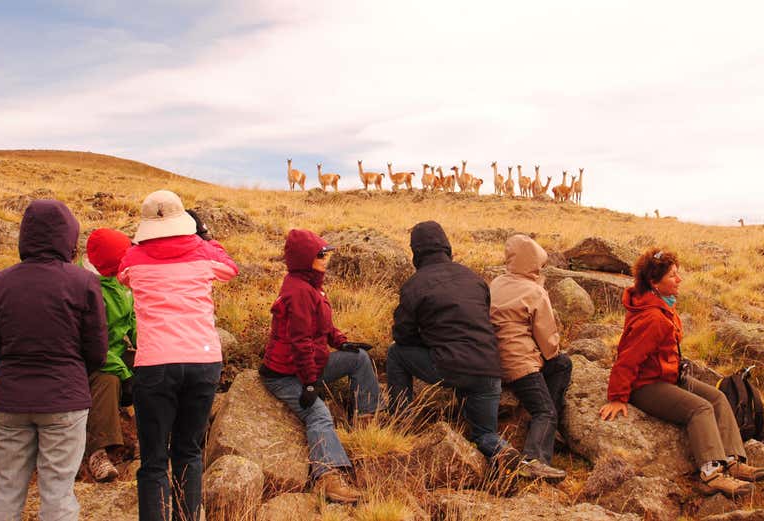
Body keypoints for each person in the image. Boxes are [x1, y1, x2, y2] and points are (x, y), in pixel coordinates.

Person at [599, 247, 764, 497]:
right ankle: (710, 474)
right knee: (700, 409)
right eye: (672, 276)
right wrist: (617, 396)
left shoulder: (663, 305)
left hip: (668, 376)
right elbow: (627, 359)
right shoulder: (653, 317)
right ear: (654, 283)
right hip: (645, 385)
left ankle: (733, 461)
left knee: (719, 398)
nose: (679, 279)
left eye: (677, 274)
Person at [118, 192, 238, 521]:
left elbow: (121, 275)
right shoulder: (202, 252)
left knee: (155, 460)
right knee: (189, 451)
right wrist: (204, 237)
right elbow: (230, 268)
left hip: (155, 363)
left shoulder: (134, 257)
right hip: (202, 361)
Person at [0, 199, 108, 520]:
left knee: (7, 488)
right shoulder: (84, 282)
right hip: (64, 399)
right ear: (68, 237)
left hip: (10, 399)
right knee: (57, 491)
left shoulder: (0, 282)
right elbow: (97, 351)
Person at [259, 228, 380, 504]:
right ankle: (327, 478)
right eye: (321, 254)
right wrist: (310, 383)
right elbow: (299, 342)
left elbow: (321, 326)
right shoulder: (300, 291)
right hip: (285, 374)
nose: (327, 258)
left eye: (326, 253)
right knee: (319, 415)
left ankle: (367, 424)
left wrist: (342, 343)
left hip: (307, 365)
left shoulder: (309, 284)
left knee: (359, 359)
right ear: (305, 258)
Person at [386, 220, 520, 467]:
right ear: (446, 247)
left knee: (396, 354)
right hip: (488, 369)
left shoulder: (415, 285)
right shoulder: (474, 279)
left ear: (416, 252)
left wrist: (429, 342)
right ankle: (505, 453)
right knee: (484, 434)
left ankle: (400, 423)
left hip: (450, 366)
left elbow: (402, 335)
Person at [489, 234, 571, 482]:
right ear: (535, 262)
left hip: (491, 362)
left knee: (559, 366)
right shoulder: (535, 291)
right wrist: (550, 352)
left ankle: (544, 438)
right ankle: (534, 460)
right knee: (546, 410)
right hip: (520, 366)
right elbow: (548, 343)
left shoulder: (496, 283)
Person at [82, 228, 137, 482]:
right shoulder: (87, 290)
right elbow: (94, 346)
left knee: (155, 367)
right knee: (108, 379)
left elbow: (134, 318)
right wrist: (125, 372)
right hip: (93, 359)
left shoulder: (121, 281)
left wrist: (147, 348)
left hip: (115, 352)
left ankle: (158, 437)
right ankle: (98, 453)